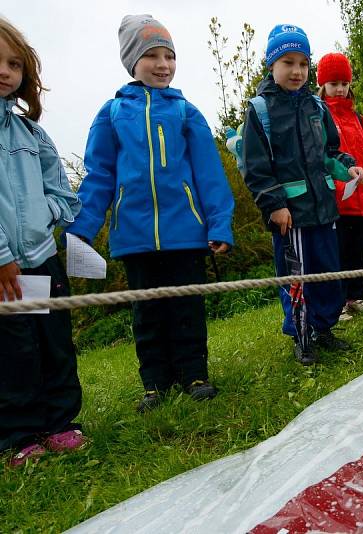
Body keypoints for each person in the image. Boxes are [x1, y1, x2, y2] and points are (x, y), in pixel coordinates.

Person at [67, 15, 234, 413]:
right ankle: (155, 384)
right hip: (135, 236)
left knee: (186, 307)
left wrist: (219, 223)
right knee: (147, 313)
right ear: (131, 62)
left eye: (169, 56)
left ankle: (195, 375)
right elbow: (99, 175)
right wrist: (83, 228)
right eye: (151, 56)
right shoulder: (111, 114)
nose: (163, 65)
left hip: (186, 234)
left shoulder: (186, 113)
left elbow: (210, 174)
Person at [242, 24, 363, 365]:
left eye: (303, 63)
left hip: (324, 208)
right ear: (271, 65)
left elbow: (329, 153)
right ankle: (302, 335)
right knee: (297, 278)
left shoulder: (317, 107)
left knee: (327, 271)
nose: (297, 71)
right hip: (290, 216)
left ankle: (325, 329)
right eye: (288, 62)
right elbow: (256, 168)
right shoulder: (260, 110)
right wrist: (275, 206)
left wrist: (348, 168)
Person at [0, 17, 86, 466]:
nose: (5, 71)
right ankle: (19, 434)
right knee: (13, 349)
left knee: (53, 340)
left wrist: (43, 217)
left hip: (42, 260)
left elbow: (64, 194)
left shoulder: (33, 135)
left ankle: (60, 422)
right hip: (2, 269)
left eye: (14, 63)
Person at [316, 52, 363, 320]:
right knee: (338, 252)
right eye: (334, 84)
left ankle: (357, 296)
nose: (340, 89)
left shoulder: (358, 118)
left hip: (360, 193)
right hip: (337, 196)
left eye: (344, 83)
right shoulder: (319, 114)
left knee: (359, 249)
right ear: (323, 85)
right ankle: (339, 301)